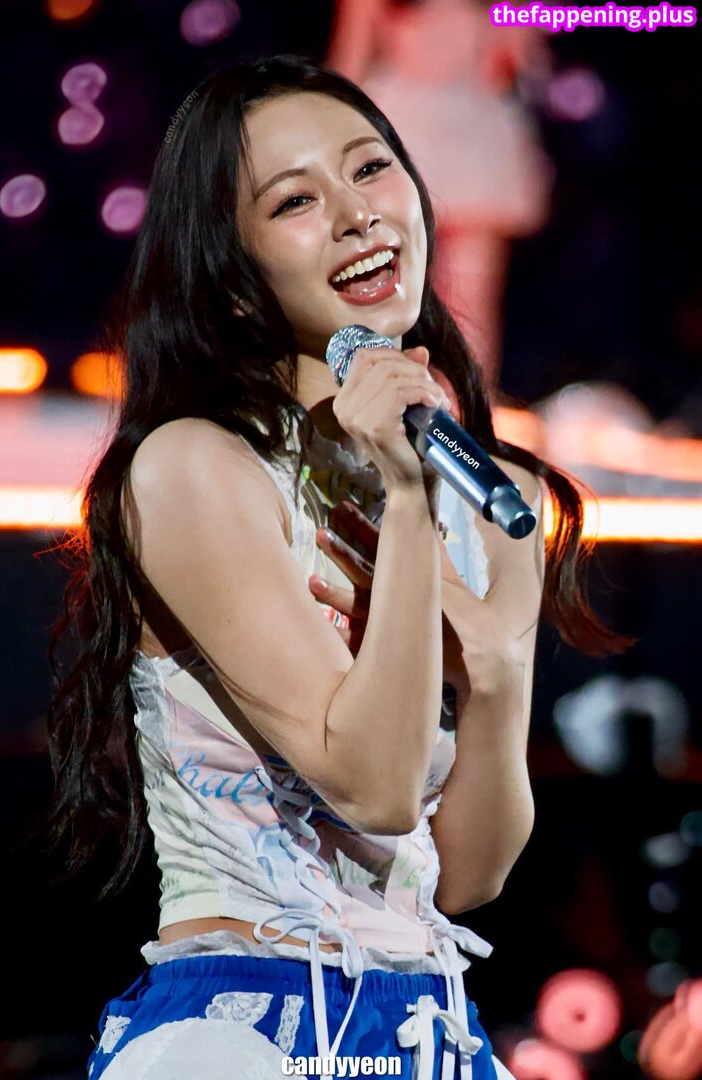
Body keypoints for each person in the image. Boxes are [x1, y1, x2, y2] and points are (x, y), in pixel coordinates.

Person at [43, 56, 627, 1080]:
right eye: (295, 201)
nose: (357, 215)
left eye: (370, 168)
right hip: (244, 1025)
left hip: (426, 1027)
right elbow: (375, 787)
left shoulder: (494, 497)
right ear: (232, 267)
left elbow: (467, 879)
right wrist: (404, 497)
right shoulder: (195, 469)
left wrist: (498, 674)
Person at [326, 0, 554, 387]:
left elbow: (511, 61)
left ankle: (466, 408)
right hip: (399, 130)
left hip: (472, 132)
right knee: (384, 287)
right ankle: (385, 400)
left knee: (471, 297)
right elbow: (350, 64)